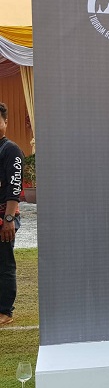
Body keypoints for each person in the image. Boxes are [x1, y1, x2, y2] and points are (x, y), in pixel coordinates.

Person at [0, 102, 24, 327]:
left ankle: (5, 311)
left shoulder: (11, 150)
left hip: (4, 218)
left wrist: (8, 220)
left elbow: (14, 187)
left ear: (5, 123)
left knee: (4, 263)